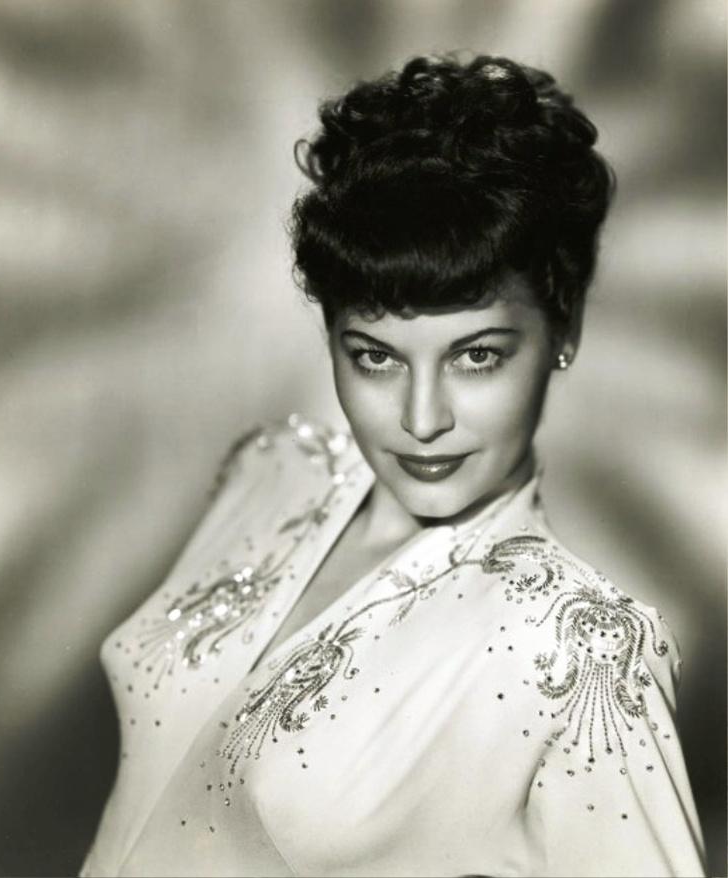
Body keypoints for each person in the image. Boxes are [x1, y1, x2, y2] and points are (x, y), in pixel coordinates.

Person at [80, 53, 707, 877]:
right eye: (375, 356)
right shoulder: (273, 473)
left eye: (477, 356)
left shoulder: (579, 645)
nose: (422, 419)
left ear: (564, 331)